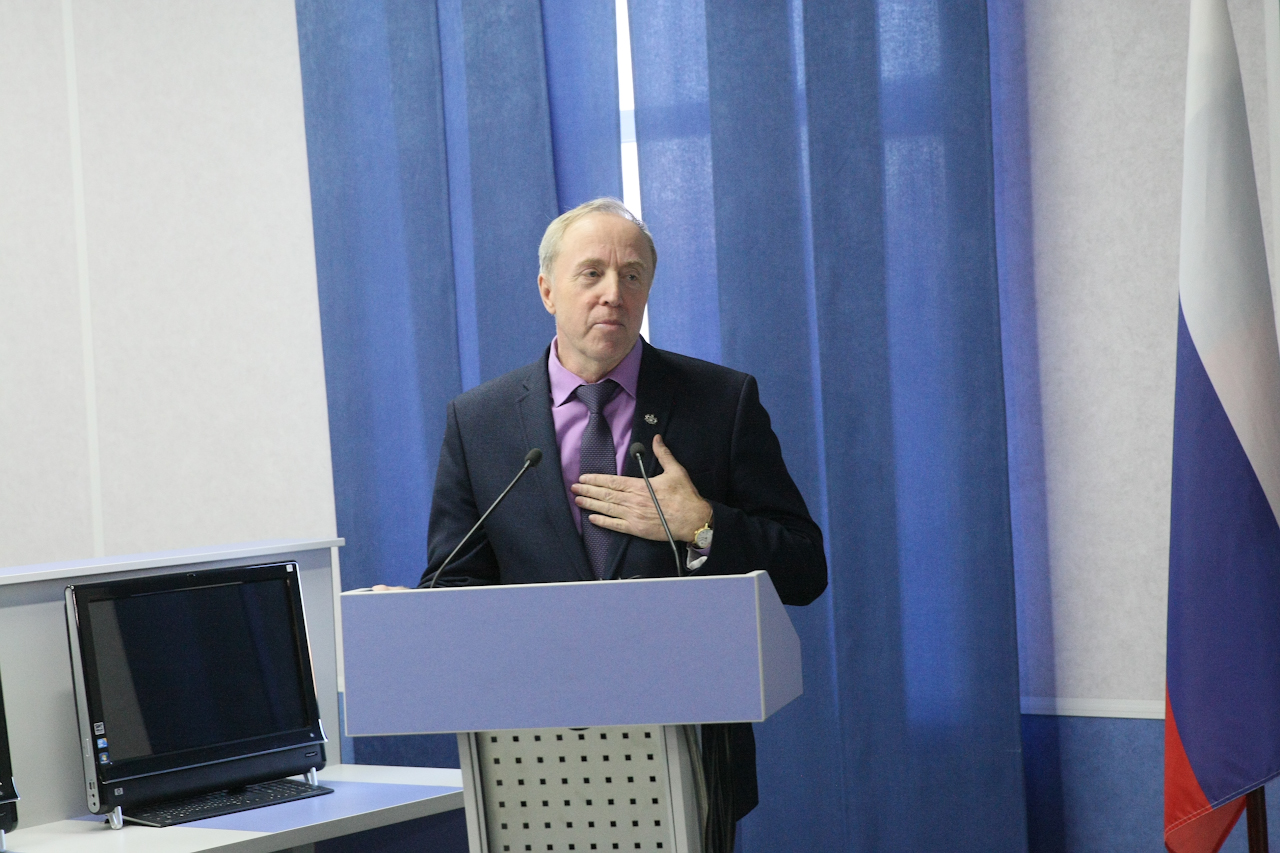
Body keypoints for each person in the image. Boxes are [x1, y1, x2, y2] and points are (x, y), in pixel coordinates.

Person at [416, 197, 827, 839]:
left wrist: (702, 526)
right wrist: (418, 613)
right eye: (592, 273)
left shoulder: (721, 402)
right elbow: (454, 579)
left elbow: (804, 569)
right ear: (547, 290)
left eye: (632, 275)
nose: (613, 293)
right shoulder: (480, 421)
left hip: (689, 745)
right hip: (533, 756)